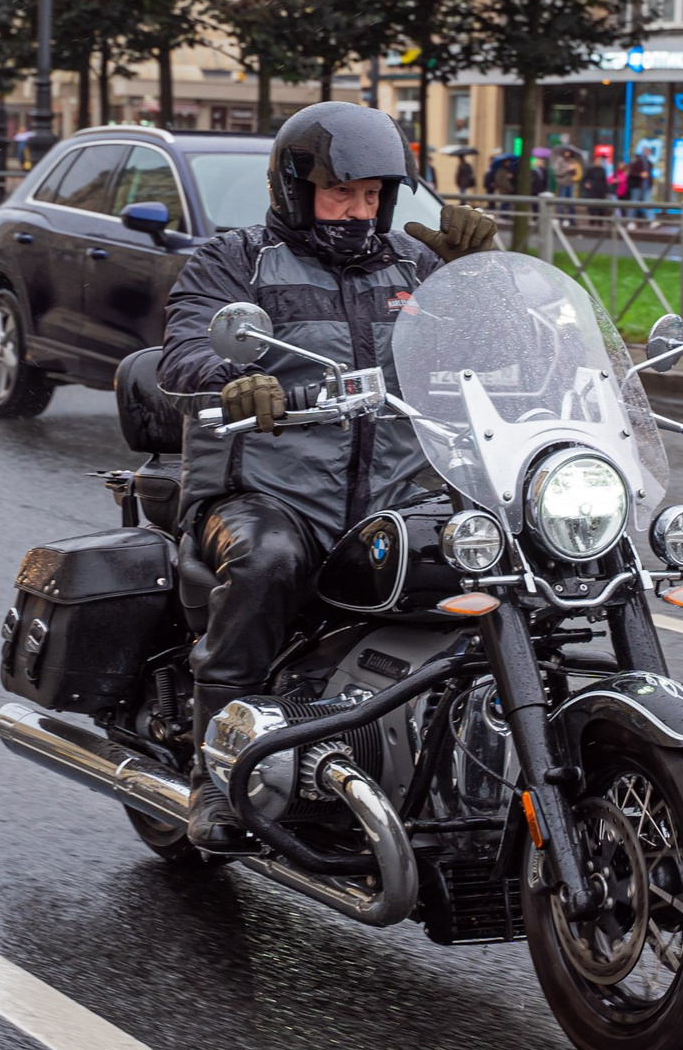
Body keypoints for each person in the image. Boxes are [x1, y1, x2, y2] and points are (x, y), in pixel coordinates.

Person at [156, 103, 501, 851]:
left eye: (374, 195)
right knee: (267, 560)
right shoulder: (235, 260)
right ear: (294, 187)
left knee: (500, 554)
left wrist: (473, 275)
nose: (359, 210)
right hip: (265, 497)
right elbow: (183, 350)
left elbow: (504, 347)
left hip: (392, 499)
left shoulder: (413, 266)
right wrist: (231, 378)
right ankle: (214, 775)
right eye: (342, 193)